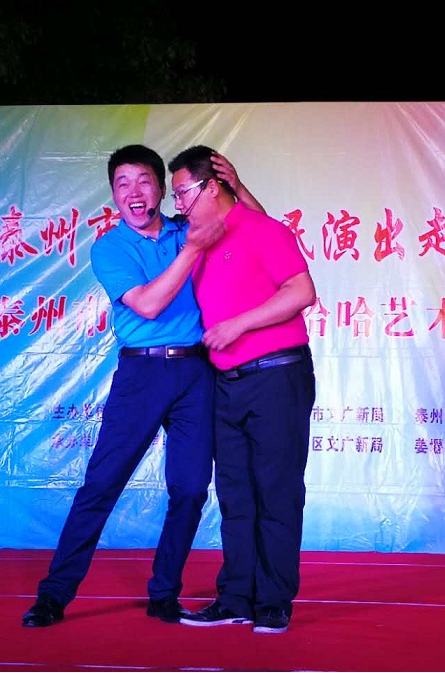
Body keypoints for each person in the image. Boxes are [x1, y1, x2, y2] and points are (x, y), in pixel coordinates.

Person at [21, 144, 265, 627]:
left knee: (190, 489)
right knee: (101, 484)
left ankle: (164, 592)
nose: (134, 192)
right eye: (122, 184)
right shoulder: (111, 247)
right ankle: (54, 595)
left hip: (197, 372)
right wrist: (193, 249)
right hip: (142, 374)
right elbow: (149, 305)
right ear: (114, 194)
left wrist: (236, 188)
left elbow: (260, 232)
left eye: (144, 181)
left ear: (162, 188)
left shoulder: (187, 228)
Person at [168, 145, 317, 635]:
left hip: (276, 376)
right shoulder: (197, 243)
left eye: (183, 193)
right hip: (226, 382)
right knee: (234, 492)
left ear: (212, 187)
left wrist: (237, 325)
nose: (178, 204)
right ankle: (235, 597)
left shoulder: (262, 229)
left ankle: (273, 601)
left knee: (276, 489)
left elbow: (301, 292)